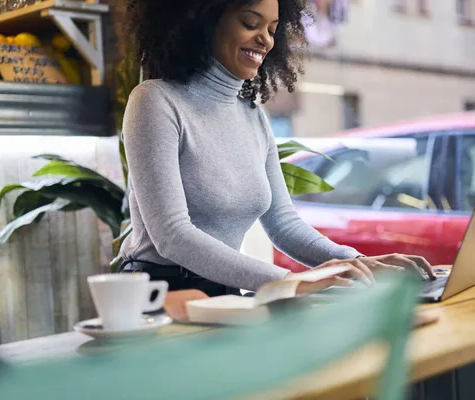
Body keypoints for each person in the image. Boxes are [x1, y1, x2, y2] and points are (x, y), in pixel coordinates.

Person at [119, 0, 436, 297]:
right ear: (204, 20)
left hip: (224, 292)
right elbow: (172, 235)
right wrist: (289, 282)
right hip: (159, 295)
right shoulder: (155, 102)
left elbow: (284, 224)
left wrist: (359, 262)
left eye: (272, 30)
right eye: (250, 23)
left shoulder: (252, 115)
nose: (265, 41)